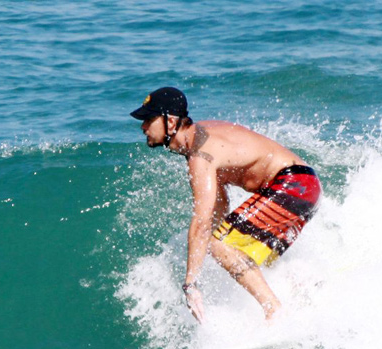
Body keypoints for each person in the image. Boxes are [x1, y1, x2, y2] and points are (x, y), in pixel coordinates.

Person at [131, 87, 321, 323]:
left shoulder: (200, 156)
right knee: (230, 244)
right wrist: (214, 243)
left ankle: (274, 311)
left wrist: (190, 285)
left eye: (149, 120)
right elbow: (217, 208)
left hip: (293, 184)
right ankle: (303, 288)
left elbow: (201, 223)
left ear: (170, 122)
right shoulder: (202, 138)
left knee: (218, 244)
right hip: (304, 186)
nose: (143, 127)